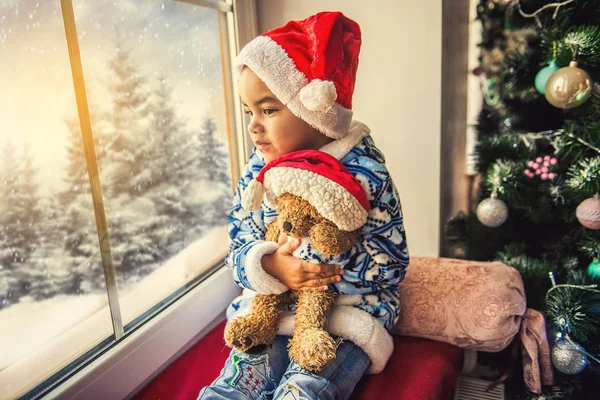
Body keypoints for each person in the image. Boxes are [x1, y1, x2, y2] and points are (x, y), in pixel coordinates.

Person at [199, 11, 409, 400]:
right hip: (271, 310)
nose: (253, 126)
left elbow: (392, 264)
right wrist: (268, 265)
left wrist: (318, 274)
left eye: (268, 109)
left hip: (347, 313)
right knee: (238, 382)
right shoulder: (257, 170)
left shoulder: (365, 172)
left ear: (313, 109)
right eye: (249, 112)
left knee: (307, 387)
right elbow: (239, 233)